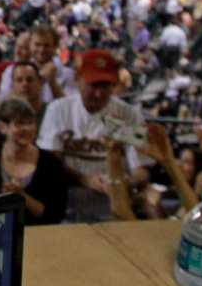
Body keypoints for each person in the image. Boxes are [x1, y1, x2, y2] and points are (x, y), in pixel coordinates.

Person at [38, 49, 146, 223]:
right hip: (67, 195)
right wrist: (84, 179)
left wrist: (124, 182)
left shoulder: (129, 115)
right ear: (78, 80)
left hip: (113, 200)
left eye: (106, 86)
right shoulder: (58, 109)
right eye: (94, 85)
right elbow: (49, 163)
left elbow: (141, 170)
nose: (99, 93)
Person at [0, 99, 68, 225]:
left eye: (30, 123)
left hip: (39, 236)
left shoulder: (51, 163)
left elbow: (55, 215)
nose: (26, 129)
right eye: (19, 123)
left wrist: (21, 196)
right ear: (3, 127)